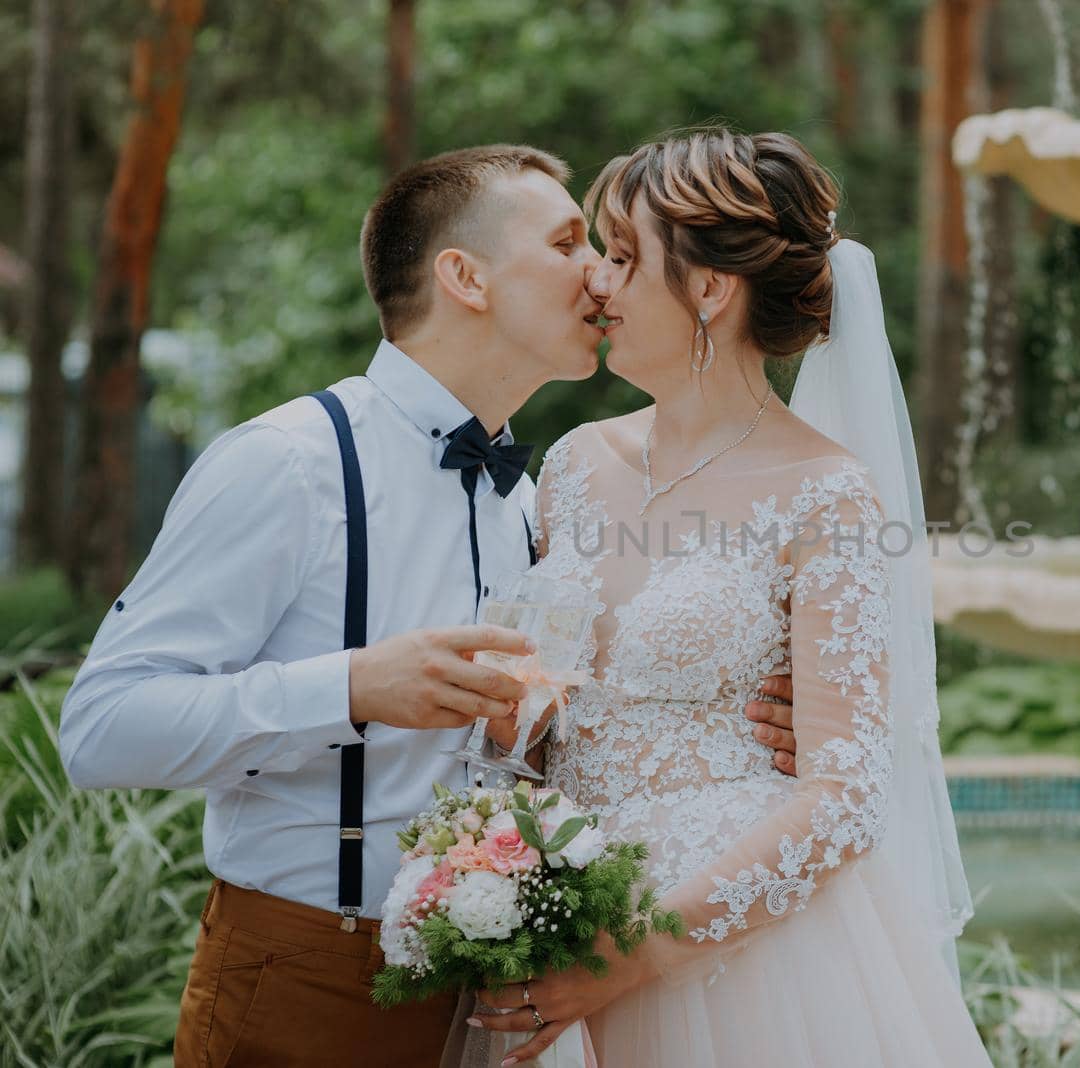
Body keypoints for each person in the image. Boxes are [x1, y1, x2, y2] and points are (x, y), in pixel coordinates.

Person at [58, 144, 796, 1067]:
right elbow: (99, 729)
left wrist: (755, 727)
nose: (601, 273)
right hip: (307, 977)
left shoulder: (541, 502)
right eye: (570, 241)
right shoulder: (289, 462)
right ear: (465, 277)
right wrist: (355, 686)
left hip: (496, 990)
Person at [468, 129, 987, 1067]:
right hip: (556, 913)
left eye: (623, 259)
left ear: (710, 287)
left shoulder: (825, 493)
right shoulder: (575, 466)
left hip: (733, 958)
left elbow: (845, 795)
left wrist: (635, 951)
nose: (597, 283)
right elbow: (540, 713)